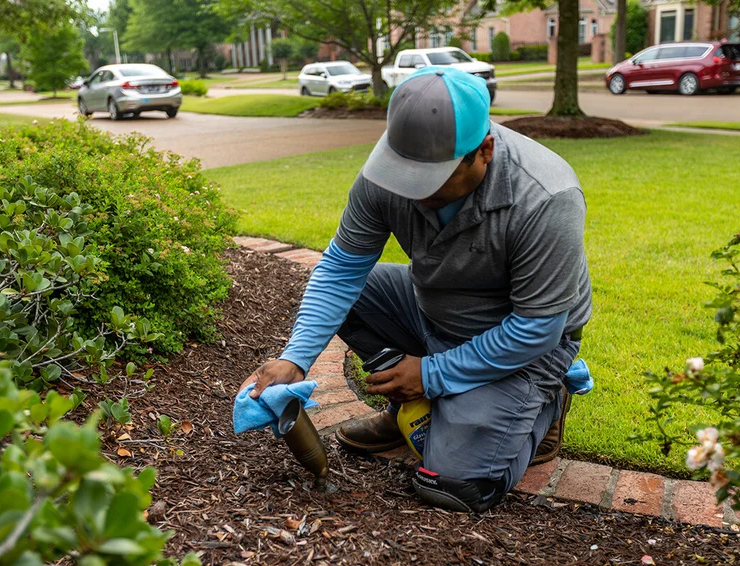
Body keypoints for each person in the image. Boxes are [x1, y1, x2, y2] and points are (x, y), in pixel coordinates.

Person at [238, 66, 592, 513]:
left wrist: (428, 374)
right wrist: (296, 356)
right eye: (405, 175)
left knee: (452, 486)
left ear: (484, 150)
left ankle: (546, 397)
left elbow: (537, 328)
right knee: (352, 294)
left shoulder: (545, 197)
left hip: (524, 340)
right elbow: (342, 268)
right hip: (435, 308)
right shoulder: (387, 171)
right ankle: (413, 412)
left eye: (432, 181)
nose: (412, 192)